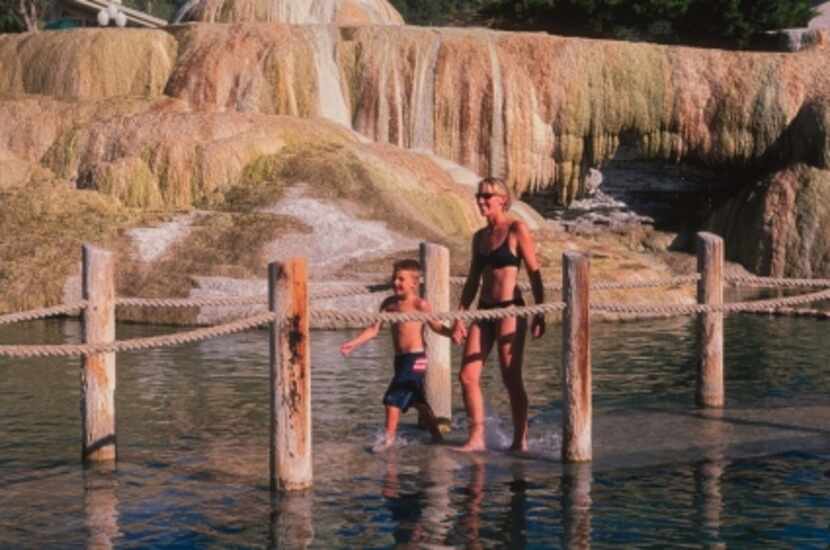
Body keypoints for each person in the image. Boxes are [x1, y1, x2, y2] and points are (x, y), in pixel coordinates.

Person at [451, 177, 546, 452]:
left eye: (487, 197)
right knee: (467, 376)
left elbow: (534, 271)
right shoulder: (479, 237)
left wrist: (539, 312)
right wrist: (460, 315)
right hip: (483, 310)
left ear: (502, 199)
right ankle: (477, 437)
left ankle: (520, 439)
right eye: (478, 196)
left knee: (510, 376)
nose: (481, 201)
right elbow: (472, 280)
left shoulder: (516, 229)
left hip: (509, 309)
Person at [341, 259, 453, 452]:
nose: (396, 283)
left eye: (401, 279)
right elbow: (374, 330)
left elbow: (436, 326)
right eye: (394, 278)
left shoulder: (420, 305)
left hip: (416, 359)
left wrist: (454, 334)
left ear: (414, 283)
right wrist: (353, 343)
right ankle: (437, 437)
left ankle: (389, 439)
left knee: (392, 399)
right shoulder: (389, 304)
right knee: (417, 401)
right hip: (400, 360)